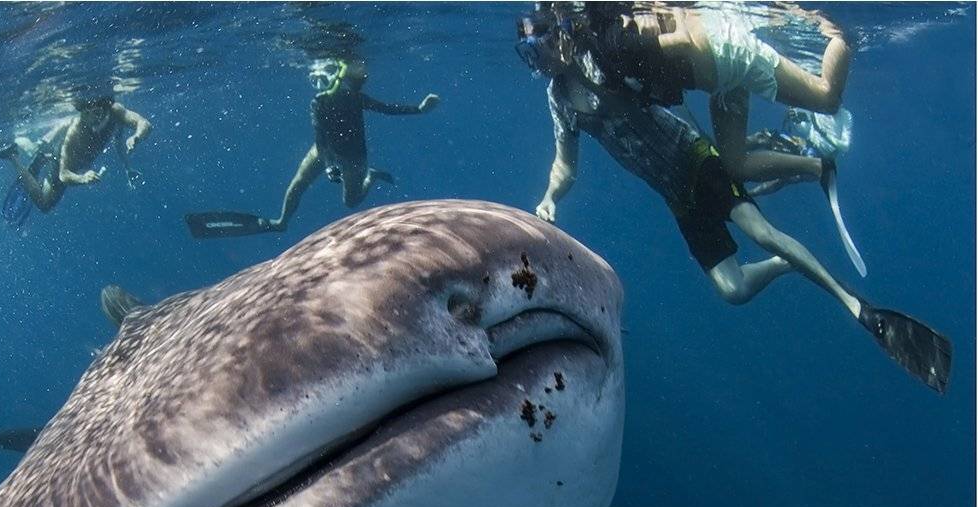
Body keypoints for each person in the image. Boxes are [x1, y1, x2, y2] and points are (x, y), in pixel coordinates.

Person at [517, 8, 950, 392]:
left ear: (560, 38)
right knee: (733, 289)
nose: (538, 62)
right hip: (675, 194)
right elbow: (565, 164)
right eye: (530, 54)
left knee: (763, 233)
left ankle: (858, 307)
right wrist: (550, 197)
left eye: (540, 48)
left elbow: (662, 67)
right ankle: (790, 262)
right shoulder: (559, 99)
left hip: (694, 159)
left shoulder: (602, 59)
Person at [578, 1, 850, 187]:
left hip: (731, 54)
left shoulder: (614, 33)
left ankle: (841, 35)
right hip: (722, 80)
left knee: (827, 99)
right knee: (736, 166)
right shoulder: (605, 34)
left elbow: (678, 39)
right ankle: (818, 166)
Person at [268, 58, 440, 231]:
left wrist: (419, 109)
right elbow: (320, 138)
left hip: (354, 157)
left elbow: (386, 108)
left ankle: (371, 176)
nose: (320, 85)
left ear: (337, 77)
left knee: (351, 202)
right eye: (315, 81)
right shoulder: (317, 103)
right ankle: (282, 222)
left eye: (324, 79)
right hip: (324, 150)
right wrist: (329, 165)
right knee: (298, 184)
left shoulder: (353, 98)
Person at [0, 92, 151, 214]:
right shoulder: (75, 132)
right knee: (44, 204)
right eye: (90, 113)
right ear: (82, 113)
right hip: (63, 160)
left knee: (40, 151)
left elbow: (144, 124)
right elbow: (64, 175)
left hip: (80, 161)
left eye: (98, 112)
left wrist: (137, 137)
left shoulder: (114, 111)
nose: (96, 117)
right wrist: (82, 179)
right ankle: (13, 155)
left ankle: (38, 154)